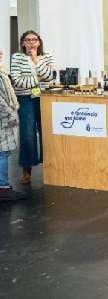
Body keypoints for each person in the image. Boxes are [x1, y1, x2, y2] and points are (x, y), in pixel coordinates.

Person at [10, 31, 55, 184]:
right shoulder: (17, 57)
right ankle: (26, 169)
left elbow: (52, 77)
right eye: (27, 40)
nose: (31, 42)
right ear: (23, 43)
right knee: (27, 135)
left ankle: (49, 167)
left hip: (44, 98)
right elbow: (17, 81)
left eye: (34, 39)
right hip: (25, 99)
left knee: (47, 134)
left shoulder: (47, 55)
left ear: (39, 42)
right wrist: (40, 77)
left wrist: (36, 59)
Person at [0, 49, 26, 200]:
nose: (1, 52)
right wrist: (10, 114)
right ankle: (3, 188)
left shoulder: (2, 71)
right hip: (3, 120)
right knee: (3, 152)